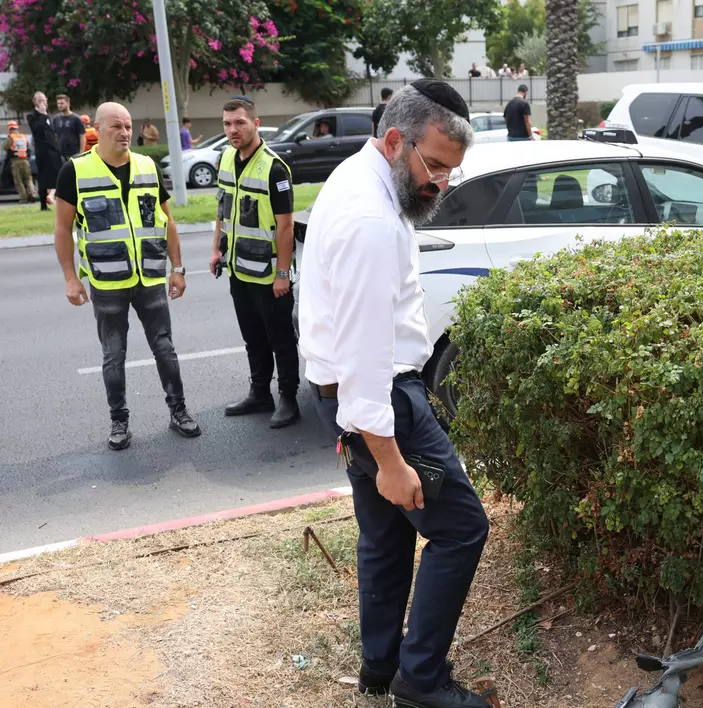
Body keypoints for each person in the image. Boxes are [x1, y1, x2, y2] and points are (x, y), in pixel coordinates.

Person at [300, 80, 490, 708]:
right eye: (433, 165)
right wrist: (386, 456)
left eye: (450, 172)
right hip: (383, 399)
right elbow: (363, 356)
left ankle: (380, 668)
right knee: (461, 528)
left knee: (385, 537)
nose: (439, 182)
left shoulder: (359, 179)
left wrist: (351, 426)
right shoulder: (371, 220)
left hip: (354, 398)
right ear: (393, 140)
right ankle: (421, 681)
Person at [53, 102, 201, 450]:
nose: (125, 133)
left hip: (149, 279)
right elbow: (62, 229)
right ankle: (119, 421)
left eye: (128, 126)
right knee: (113, 356)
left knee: (165, 349)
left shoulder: (147, 166)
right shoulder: (74, 171)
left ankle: (178, 410)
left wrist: (177, 269)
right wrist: (70, 278)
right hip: (107, 284)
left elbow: (168, 221)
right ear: (98, 131)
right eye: (117, 127)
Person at [210, 97, 300, 428]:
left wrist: (282, 274)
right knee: (253, 337)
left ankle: (288, 399)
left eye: (240, 123)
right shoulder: (225, 160)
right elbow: (222, 211)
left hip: (268, 275)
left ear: (255, 123)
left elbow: (286, 225)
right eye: (227, 124)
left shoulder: (274, 168)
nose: (232, 130)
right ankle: (259, 393)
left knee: (281, 340)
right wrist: (216, 249)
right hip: (238, 270)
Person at [28, 92, 62, 211]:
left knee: (58, 174)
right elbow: (37, 130)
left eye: (44, 100)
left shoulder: (48, 116)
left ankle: (55, 197)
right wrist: (42, 115)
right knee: (43, 177)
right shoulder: (32, 116)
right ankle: (44, 204)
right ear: (35, 102)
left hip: (54, 151)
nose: (43, 103)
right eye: (40, 100)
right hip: (43, 151)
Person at [3, 121, 37, 203]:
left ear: (9, 128)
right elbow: (27, 147)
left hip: (16, 162)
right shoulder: (23, 136)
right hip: (25, 161)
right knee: (28, 179)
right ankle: (32, 193)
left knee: (19, 181)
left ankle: (23, 198)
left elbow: (4, 147)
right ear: (17, 127)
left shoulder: (11, 137)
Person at [51, 93, 87, 158]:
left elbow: (82, 137)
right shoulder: (55, 119)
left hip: (74, 153)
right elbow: (54, 136)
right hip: (60, 154)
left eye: (62, 103)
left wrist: (81, 154)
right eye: (58, 103)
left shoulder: (76, 119)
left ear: (68, 103)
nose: (59, 105)